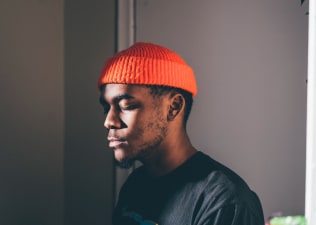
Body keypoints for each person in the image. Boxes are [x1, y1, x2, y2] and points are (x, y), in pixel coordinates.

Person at [98, 42, 264, 225]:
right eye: (106, 108)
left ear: (173, 107)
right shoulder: (135, 186)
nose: (109, 121)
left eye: (125, 106)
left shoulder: (224, 201)